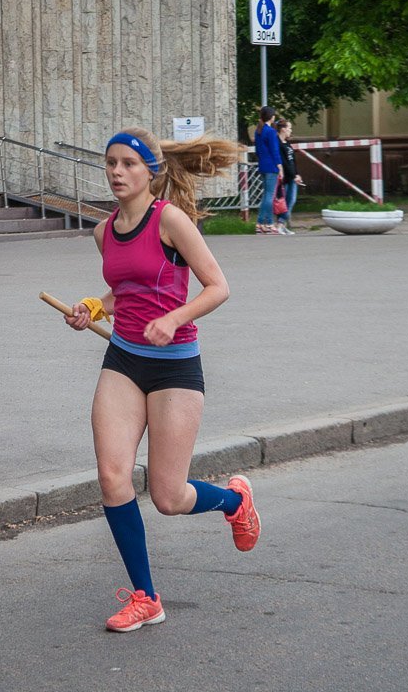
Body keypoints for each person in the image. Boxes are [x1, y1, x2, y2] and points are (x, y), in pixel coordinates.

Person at [64, 127, 262, 633]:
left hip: (175, 365)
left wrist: (174, 319)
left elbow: (218, 287)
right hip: (124, 359)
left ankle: (236, 502)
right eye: (110, 163)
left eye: (128, 163)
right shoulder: (103, 231)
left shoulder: (170, 220)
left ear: (150, 171)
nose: (116, 172)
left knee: (169, 497)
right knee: (112, 476)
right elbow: (123, 289)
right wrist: (91, 307)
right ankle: (145, 596)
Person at [254, 105, 283, 234]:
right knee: (269, 196)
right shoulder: (271, 132)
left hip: (262, 165)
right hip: (271, 166)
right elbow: (274, 150)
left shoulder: (258, 131)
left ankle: (265, 223)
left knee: (266, 195)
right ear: (271, 117)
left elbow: (258, 150)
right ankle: (264, 223)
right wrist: (279, 166)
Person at [276, 119, 302, 234]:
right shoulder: (278, 144)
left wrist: (297, 174)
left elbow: (293, 161)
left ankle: (282, 224)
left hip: (293, 176)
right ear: (283, 129)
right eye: (289, 128)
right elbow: (284, 162)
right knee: (286, 201)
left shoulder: (287, 144)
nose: (290, 131)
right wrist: (292, 175)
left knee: (291, 200)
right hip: (286, 177)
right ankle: (280, 224)